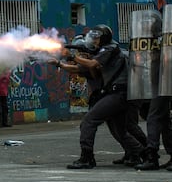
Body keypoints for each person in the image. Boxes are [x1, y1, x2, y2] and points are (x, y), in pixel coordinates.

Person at [50, 25, 144, 169]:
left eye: (97, 38)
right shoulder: (104, 51)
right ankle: (142, 152)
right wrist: (59, 63)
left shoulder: (109, 49)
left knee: (89, 121)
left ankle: (87, 158)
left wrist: (72, 56)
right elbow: (86, 69)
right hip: (116, 94)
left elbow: (92, 65)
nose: (94, 42)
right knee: (119, 130)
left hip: (119, 93)